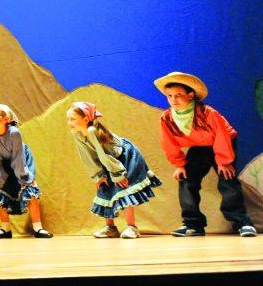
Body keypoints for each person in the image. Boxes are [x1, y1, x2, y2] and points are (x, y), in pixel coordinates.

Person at [155, 71, 257, 237]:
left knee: (227, 180)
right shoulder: (167, 118)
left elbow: (221, 136)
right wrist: (180, 165)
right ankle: (193, 224)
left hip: (222, 143)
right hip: (198, 146)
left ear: (191, 95)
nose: (174, 100)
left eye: (179, 95)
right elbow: (168, 143)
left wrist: (224, 161)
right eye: (170, 96)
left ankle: (242, 223)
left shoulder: (207, 113)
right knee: (187, 181)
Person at [67, 102, 162, 238]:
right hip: (108, 161)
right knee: (104, 188)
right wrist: (98, 176)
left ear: (86, 119)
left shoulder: (92, 131)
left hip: (124, 157)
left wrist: (118, 175)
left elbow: (105, 154)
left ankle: (132, 227)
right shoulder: (76, 134)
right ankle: (110, 227)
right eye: (68, 119)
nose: (70, 122)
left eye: (73, 119)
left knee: (124, 189)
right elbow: (88, 157)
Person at [0, 104, 52, 238]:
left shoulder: (14, 132)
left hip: (21, 160)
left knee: (29, 189)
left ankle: (38, 228)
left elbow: (18, 157)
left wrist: (23, 177)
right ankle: (5, 228)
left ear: (6, 118)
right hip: (2, 162)